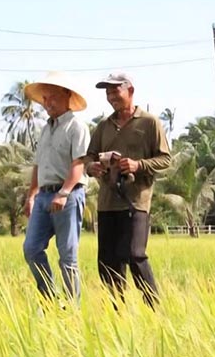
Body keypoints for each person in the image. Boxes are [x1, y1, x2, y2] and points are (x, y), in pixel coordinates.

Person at [84, 73, 171, 307]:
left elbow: (165, 159)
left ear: (130, 91)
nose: (111, 97)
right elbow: (89, 157)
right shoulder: (104, 126)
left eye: (116, 91)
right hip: (107, 202)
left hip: (136, 201)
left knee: (134, 254)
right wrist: (91, 167)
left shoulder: (150, 123)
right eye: (108, 93)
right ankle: (117, 312)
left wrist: (137, 165)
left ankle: (154, 308)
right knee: (107, 261)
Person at [21, 72, 90, 301]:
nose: (47, 103)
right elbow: (38, 165)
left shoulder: (76, 127)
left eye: (52, 97)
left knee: (67, 256)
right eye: (45, 98)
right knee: (31, 249)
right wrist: (31, 195)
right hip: (43, 196)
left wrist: (64, 192)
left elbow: (79, 163)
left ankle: (72, 308)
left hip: (67, 196)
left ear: (67, 95)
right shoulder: (45, 129)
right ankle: (50, 299)